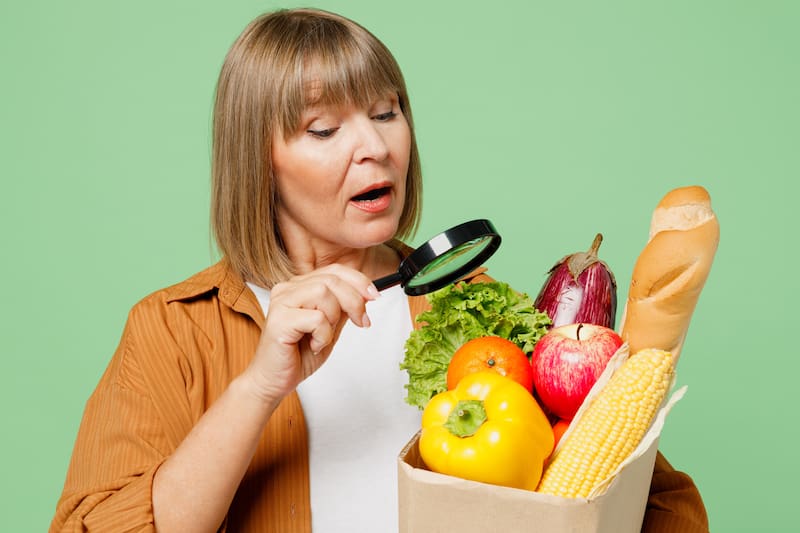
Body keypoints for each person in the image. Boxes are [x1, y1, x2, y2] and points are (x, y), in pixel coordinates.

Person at [50, 8, 709, 533]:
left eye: (386, 111)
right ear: (258, 161)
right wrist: (258, 387)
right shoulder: (169, 331)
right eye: (322, 128)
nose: (375, 148)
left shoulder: (473, 305)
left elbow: (646, 497)